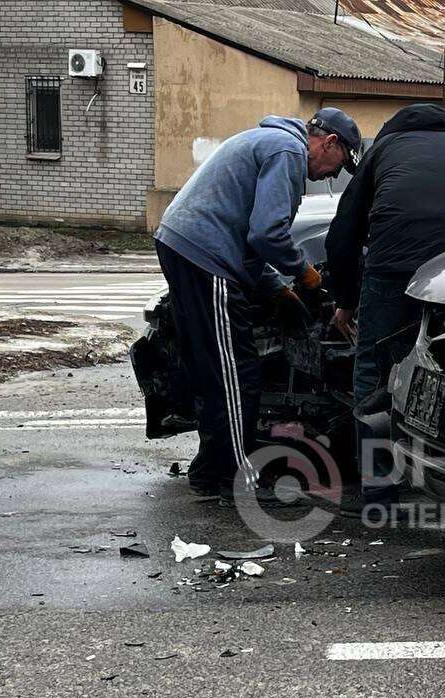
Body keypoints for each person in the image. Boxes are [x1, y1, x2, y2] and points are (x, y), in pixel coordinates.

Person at [155, 107, 363, 503]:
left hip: (187, 246)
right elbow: (267, 234)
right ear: (329, 142)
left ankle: (209, 471)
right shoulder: (287, 151)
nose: (332, 176)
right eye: (338, 166)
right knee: (236, 374)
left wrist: (276, 287)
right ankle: (234, 477)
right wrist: (305, 274)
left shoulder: (268, 141)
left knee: (214, 370)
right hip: (205, 255)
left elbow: (249, 239)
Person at [325, 103, 445, 508]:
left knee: (374, 373)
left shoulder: (383, 151)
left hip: (394, 273)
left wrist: (345, 300)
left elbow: (342, 234)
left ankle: (378, 492)